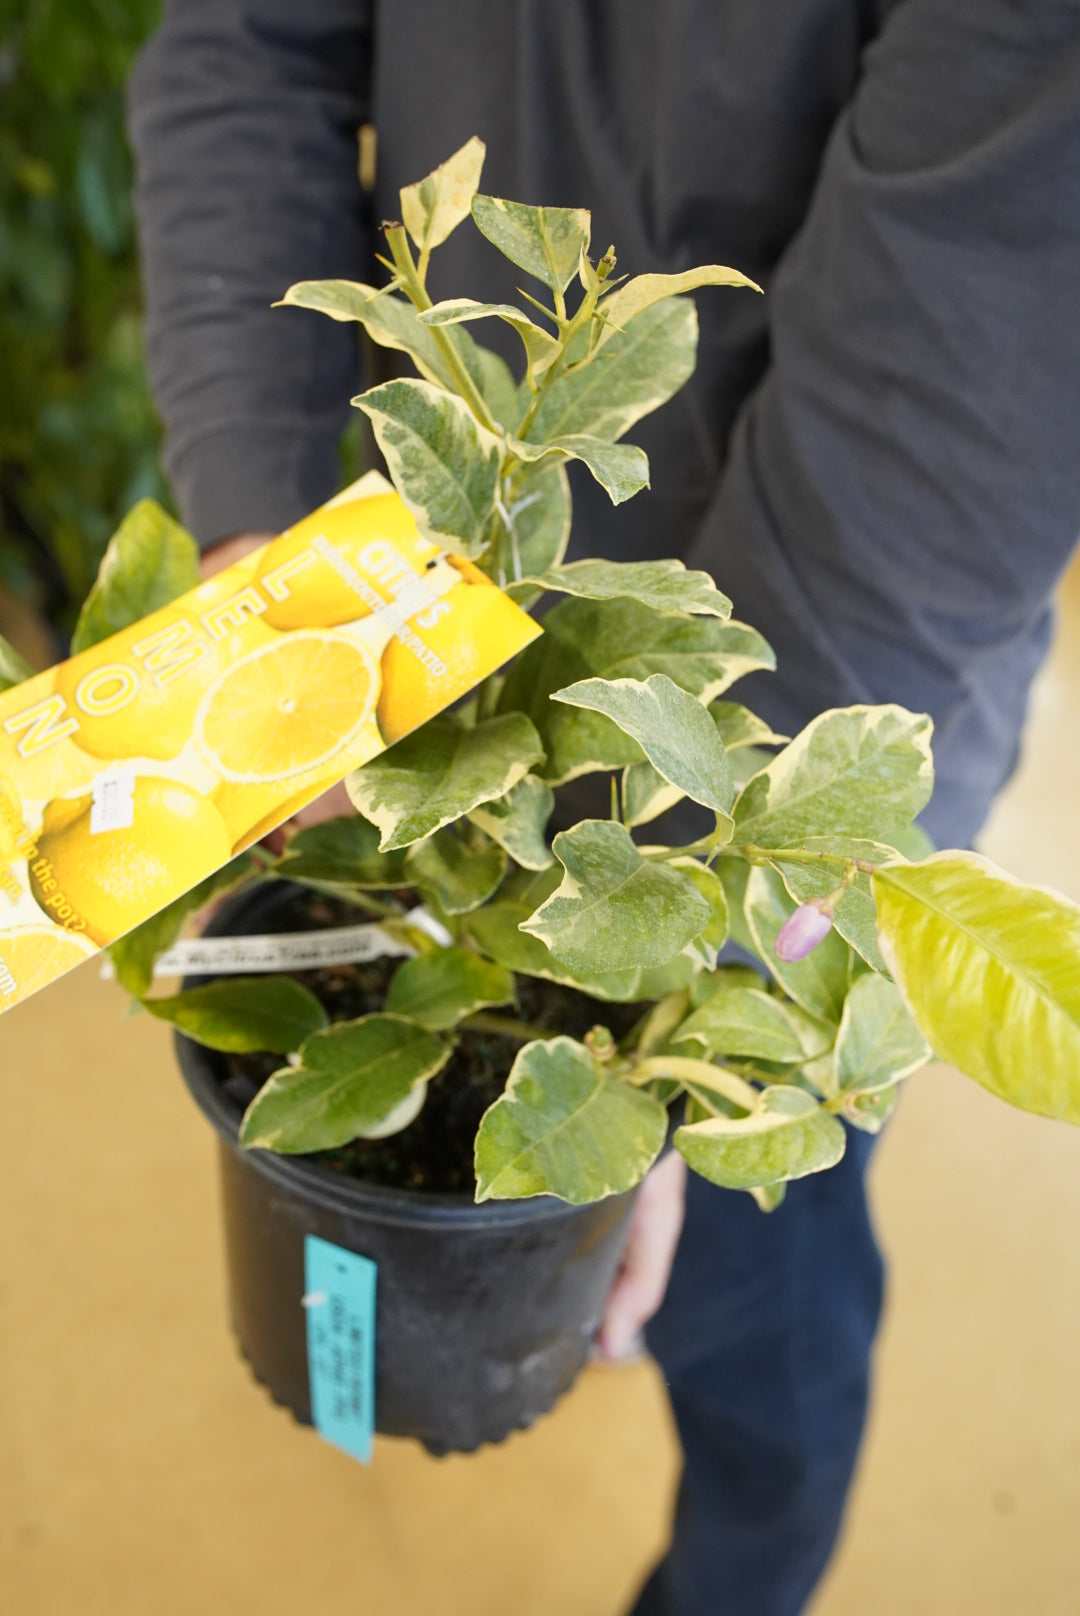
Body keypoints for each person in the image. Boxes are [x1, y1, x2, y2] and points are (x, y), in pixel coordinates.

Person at [127, 4, 1080, 1611]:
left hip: (780, 776)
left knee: (753, 1295)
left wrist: (668, 1004)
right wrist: (264, 537)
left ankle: (735, 1580)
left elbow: (962, 368)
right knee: (383, 1142)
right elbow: (243, 44)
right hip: (418, 646)